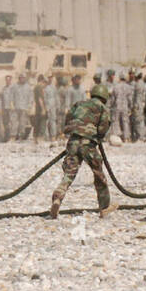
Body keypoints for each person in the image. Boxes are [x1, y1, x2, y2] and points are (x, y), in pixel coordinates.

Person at [49, 83, 117, 218]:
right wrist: (97, 136)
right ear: (104, 96)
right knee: (99, 175)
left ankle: (57, 197)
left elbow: (68, 118)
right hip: (88, 144)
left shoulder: (79, 103)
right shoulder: (102, 107)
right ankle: (104, 207)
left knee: (69, 173)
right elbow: (103, 127)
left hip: (73, 141)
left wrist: (75, 130)